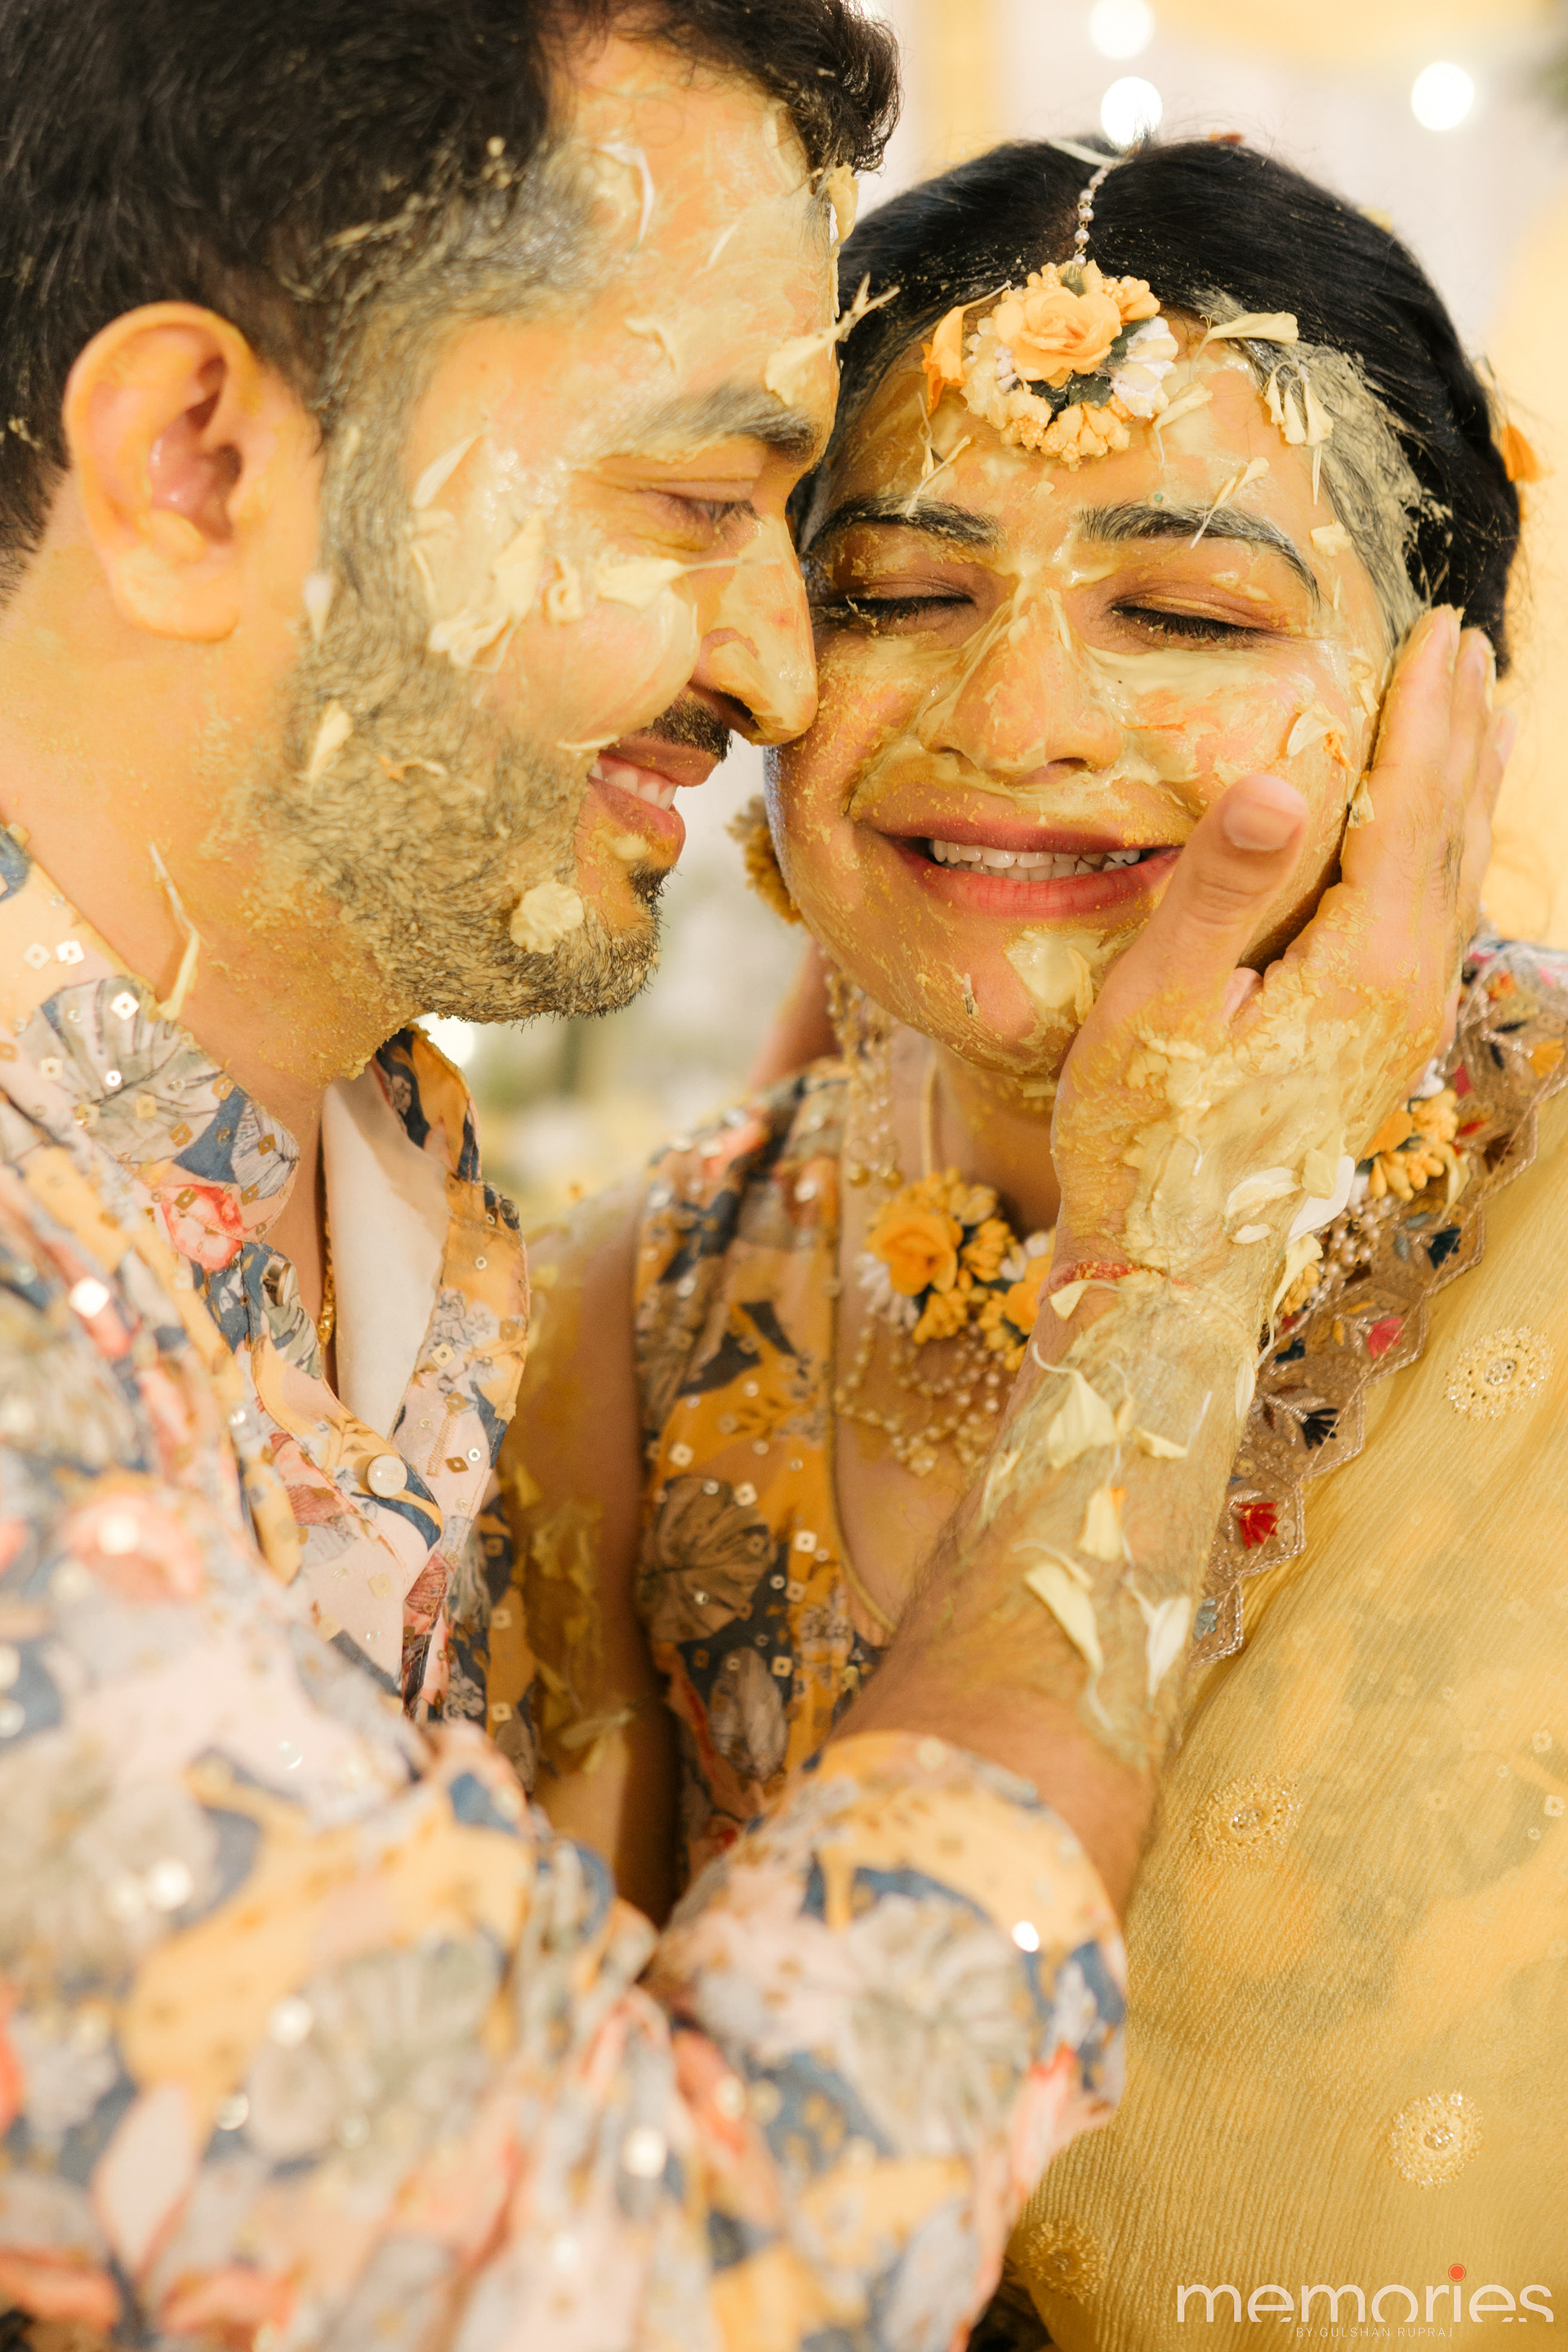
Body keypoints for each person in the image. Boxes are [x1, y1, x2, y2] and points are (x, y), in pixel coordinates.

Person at [0, 9, 1491, 2341]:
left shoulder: (395, 1182)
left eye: (1187, 614)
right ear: (192, 462)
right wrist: (1175, 1266)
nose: (795, 676)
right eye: (717, 510)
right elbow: (635, 2266)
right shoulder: (648, 1301)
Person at [506, 135, 1561, 2341]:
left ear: (1444, 688)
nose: (1016, 723)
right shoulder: (652, 1303)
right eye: (899, 593)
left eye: (1185, 615)